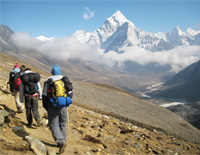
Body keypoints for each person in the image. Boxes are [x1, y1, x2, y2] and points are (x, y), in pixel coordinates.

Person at [42, 65, 73, 154]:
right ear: (60, 71)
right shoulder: (64, 79)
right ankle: (64, 140)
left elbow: (44, 95)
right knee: (62, 124)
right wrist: (66, 101)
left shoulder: (48, 80)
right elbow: (70, 92)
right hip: (64, 105)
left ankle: (60, 141)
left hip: (53, 105)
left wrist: (46, 106)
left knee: (53, 124)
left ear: (52, 72)